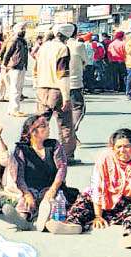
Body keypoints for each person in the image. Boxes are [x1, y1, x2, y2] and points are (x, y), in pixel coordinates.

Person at [49, 129, 131, 249]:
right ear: (112, 147)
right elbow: (98, 188)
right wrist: (98, 216)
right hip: (107, 201)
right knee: (84, 198)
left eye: (127, 146)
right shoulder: (105, 158)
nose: (123, 151)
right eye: (118, 147)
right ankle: (73, 224)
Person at [2, 115, 79, 232]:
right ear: (33, 132)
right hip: (31, 190)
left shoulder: (54, 145)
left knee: (51, 203)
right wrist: (27, 194)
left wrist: (52, 190)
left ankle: (47, 223)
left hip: (52, 188)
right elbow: (18, 176)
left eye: (47, 125)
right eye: (44, 126)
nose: (49, 128)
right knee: (25, 204)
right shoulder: (21, 150)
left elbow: (62, 168)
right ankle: (22, 220)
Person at [34, 23, 78, 164]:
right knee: (65, 125)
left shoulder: (43, 47)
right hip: (57, 90)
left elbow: (35, 69)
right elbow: (62, 74)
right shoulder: (62, 48)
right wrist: (66, 97)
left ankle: (38, 153)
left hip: (42, 89)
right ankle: (66, 156)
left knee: (40, 123)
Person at [3, 22, 29, 117]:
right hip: (15, 67)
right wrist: (5, 65)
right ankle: (14, 109)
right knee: (15, 89)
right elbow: (7, 53)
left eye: (24, 29)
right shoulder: (14, 40)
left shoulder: (23, 41)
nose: (24, 31)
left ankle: (12, 109)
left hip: (22, 66)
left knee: (18, 89)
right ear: (17, 30)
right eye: (22, 29)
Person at [66, 24, 87, 144]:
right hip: (74, 83)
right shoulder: (79, 45)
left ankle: (67, 136)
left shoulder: (55, 46)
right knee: (79, 108)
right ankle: (70, 134)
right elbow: (85, 61)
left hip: (56, 83)